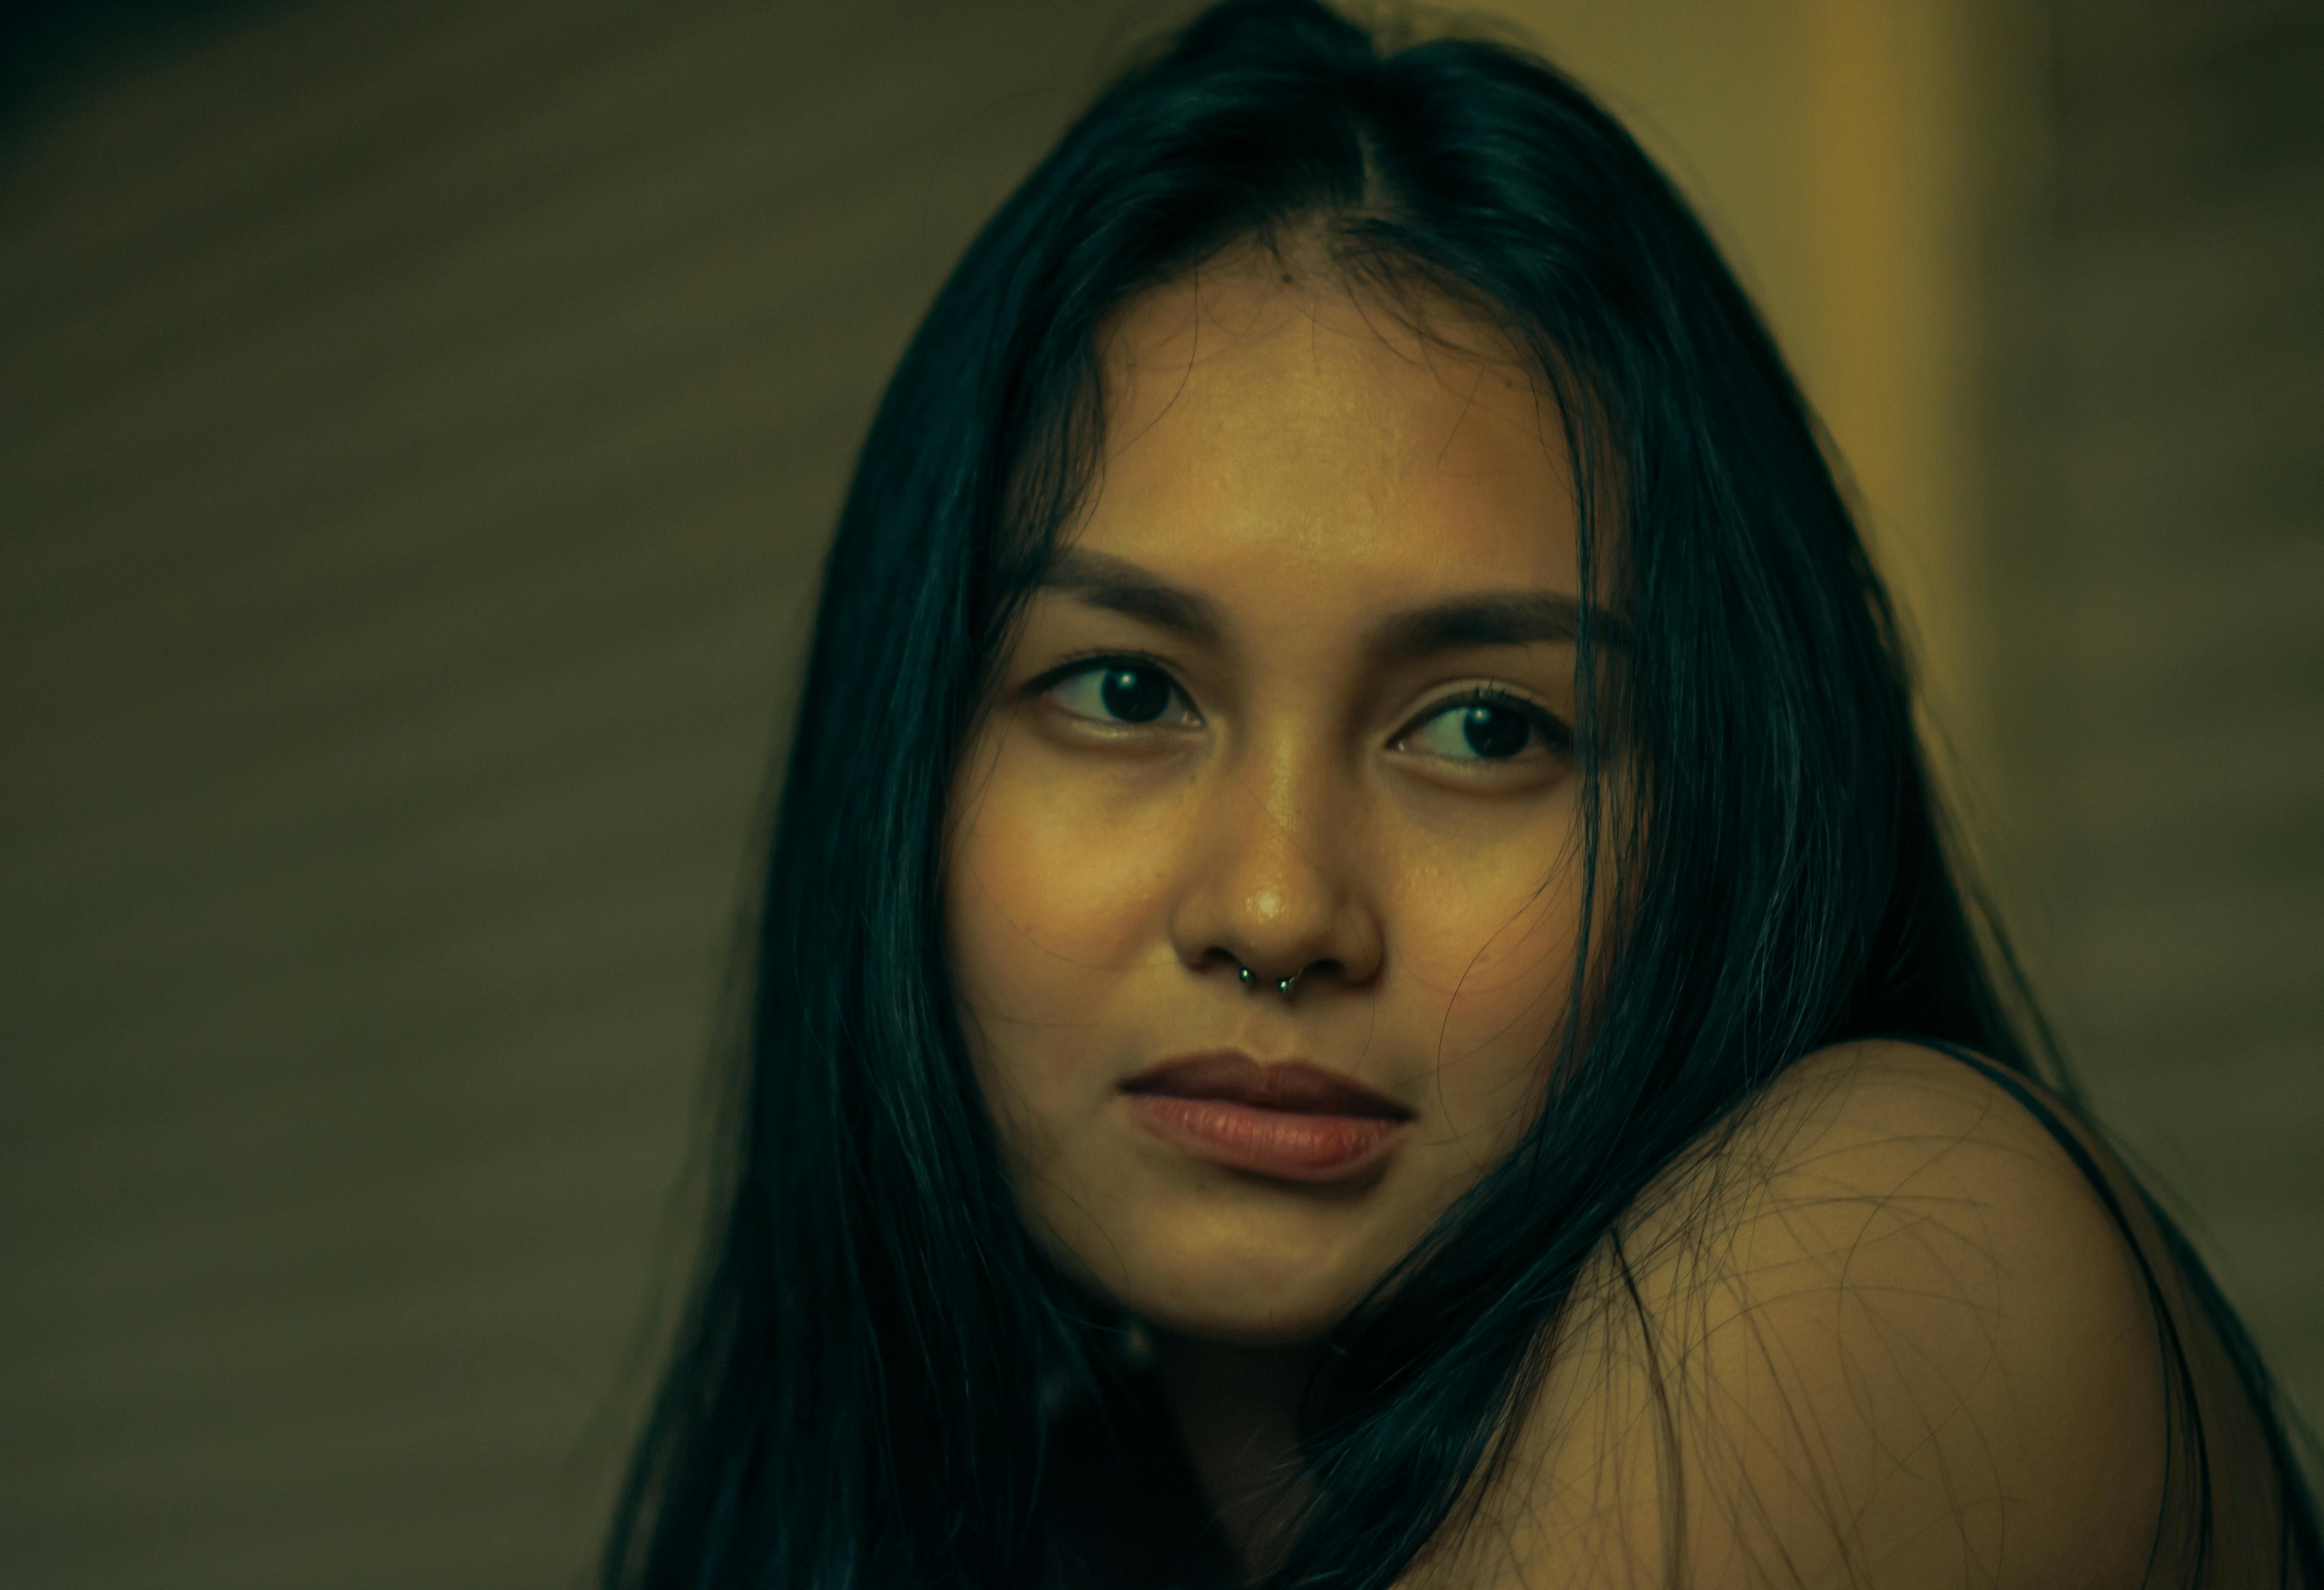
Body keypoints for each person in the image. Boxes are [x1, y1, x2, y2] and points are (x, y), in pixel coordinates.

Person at [600, 2, 2323, 1584]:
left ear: (1729, 813)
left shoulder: (1902, 1244)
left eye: (1486, 729)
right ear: (904, 776)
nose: (1277, 912)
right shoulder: (1034, 1522)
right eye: (1127, 692)